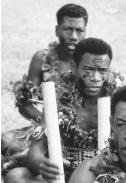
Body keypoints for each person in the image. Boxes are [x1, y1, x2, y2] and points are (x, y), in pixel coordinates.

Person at [2, 38, 123, 183]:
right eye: (89, 70)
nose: (96, 78)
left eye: (102, 71)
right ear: (74, 67)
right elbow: (35, 153)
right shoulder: (58, 102)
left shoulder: (118, 103)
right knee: (15, 179)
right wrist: (43, 165)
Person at [1, 3, 88, 172]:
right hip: (45, 125)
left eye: (80, 30)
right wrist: (47, 122)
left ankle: (30, 160)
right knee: (5, 140)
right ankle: (35, 158)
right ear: (57, 30)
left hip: (81, 131)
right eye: (68, 29)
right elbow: (24, 104)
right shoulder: (42, 58)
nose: (74, 36)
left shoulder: (89, 62)